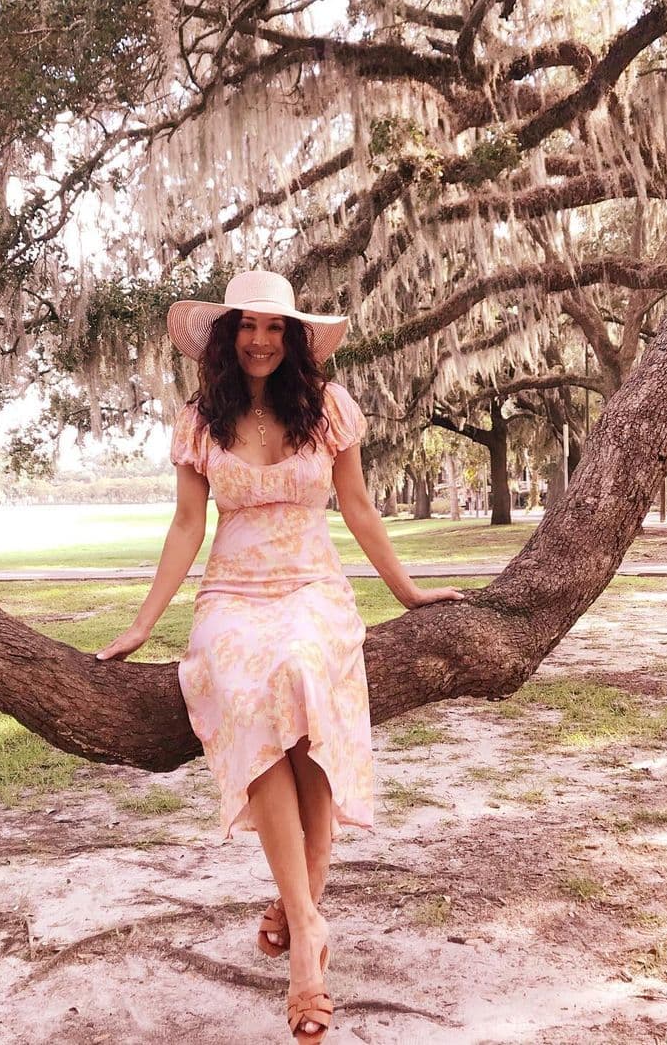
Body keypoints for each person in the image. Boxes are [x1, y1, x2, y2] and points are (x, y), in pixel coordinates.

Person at [96, 269, 463, 1041]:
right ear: (227, 337)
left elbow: (357, 507)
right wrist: (142, 623)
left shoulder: (327, 408)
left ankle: (303, 928)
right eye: (247, 326)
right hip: (232, 594)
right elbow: (186, 525)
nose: (260, 340)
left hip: (311, 587)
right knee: (247, 686)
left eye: (274, 327)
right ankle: (308, 925)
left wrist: (407, 592)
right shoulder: (200, 420)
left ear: (292, 337)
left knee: (300, 671)